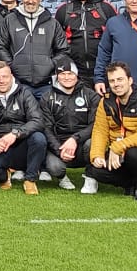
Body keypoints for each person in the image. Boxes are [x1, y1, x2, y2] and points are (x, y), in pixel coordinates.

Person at [84, 63, 137, 200]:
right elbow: (100, 130)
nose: (116, 84)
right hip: (118, 154)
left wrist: (117, 147)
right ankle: (129, 185)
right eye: (112, 81)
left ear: (130, 80)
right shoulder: (105, 101)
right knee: (95, 170)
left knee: (134, 154)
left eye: (120, 79)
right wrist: (97, 155)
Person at [0, 61, 46, 193]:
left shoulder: (24, 93)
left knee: (39, 138)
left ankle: (30, 179)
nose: (1, 81)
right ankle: (4, 177)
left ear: (11, 76)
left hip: (21, 144)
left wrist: (16, 133)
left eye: (5, 76)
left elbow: (38, 121)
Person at [0, 0, 65, 94]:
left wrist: (50, 64)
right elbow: (0, 45)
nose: (30, 1)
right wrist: (11, 64)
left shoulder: (52, 23)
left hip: (46, 84)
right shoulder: (10, 20)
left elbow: (63, 49)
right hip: (19, 84)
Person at [38, 57, 96, 189]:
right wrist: (59, 150)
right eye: (62, 74)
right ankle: (62, 177)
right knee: (55, 168)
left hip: (82, 144)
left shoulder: (90, 95)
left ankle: (91, 177)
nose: (66, 77)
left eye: (70, 73)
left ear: (76, 75)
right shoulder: (47, 97)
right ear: (57, 76)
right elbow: (46, 128)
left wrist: (75, 139)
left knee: (92, 143)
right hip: (59, 146)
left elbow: (95, 124)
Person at [54, 0, 112, 77]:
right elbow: (56, 40)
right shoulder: (63, 10)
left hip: (103, 69)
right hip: (74, 71)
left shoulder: (105, 8)